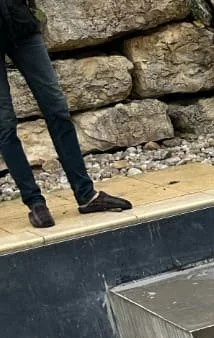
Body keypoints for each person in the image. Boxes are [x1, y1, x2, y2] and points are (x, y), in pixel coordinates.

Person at [0, 0, 132, 228]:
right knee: (4, 124)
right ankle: (35, 203)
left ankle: (86, 194)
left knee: (57, 108)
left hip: (20, 24)